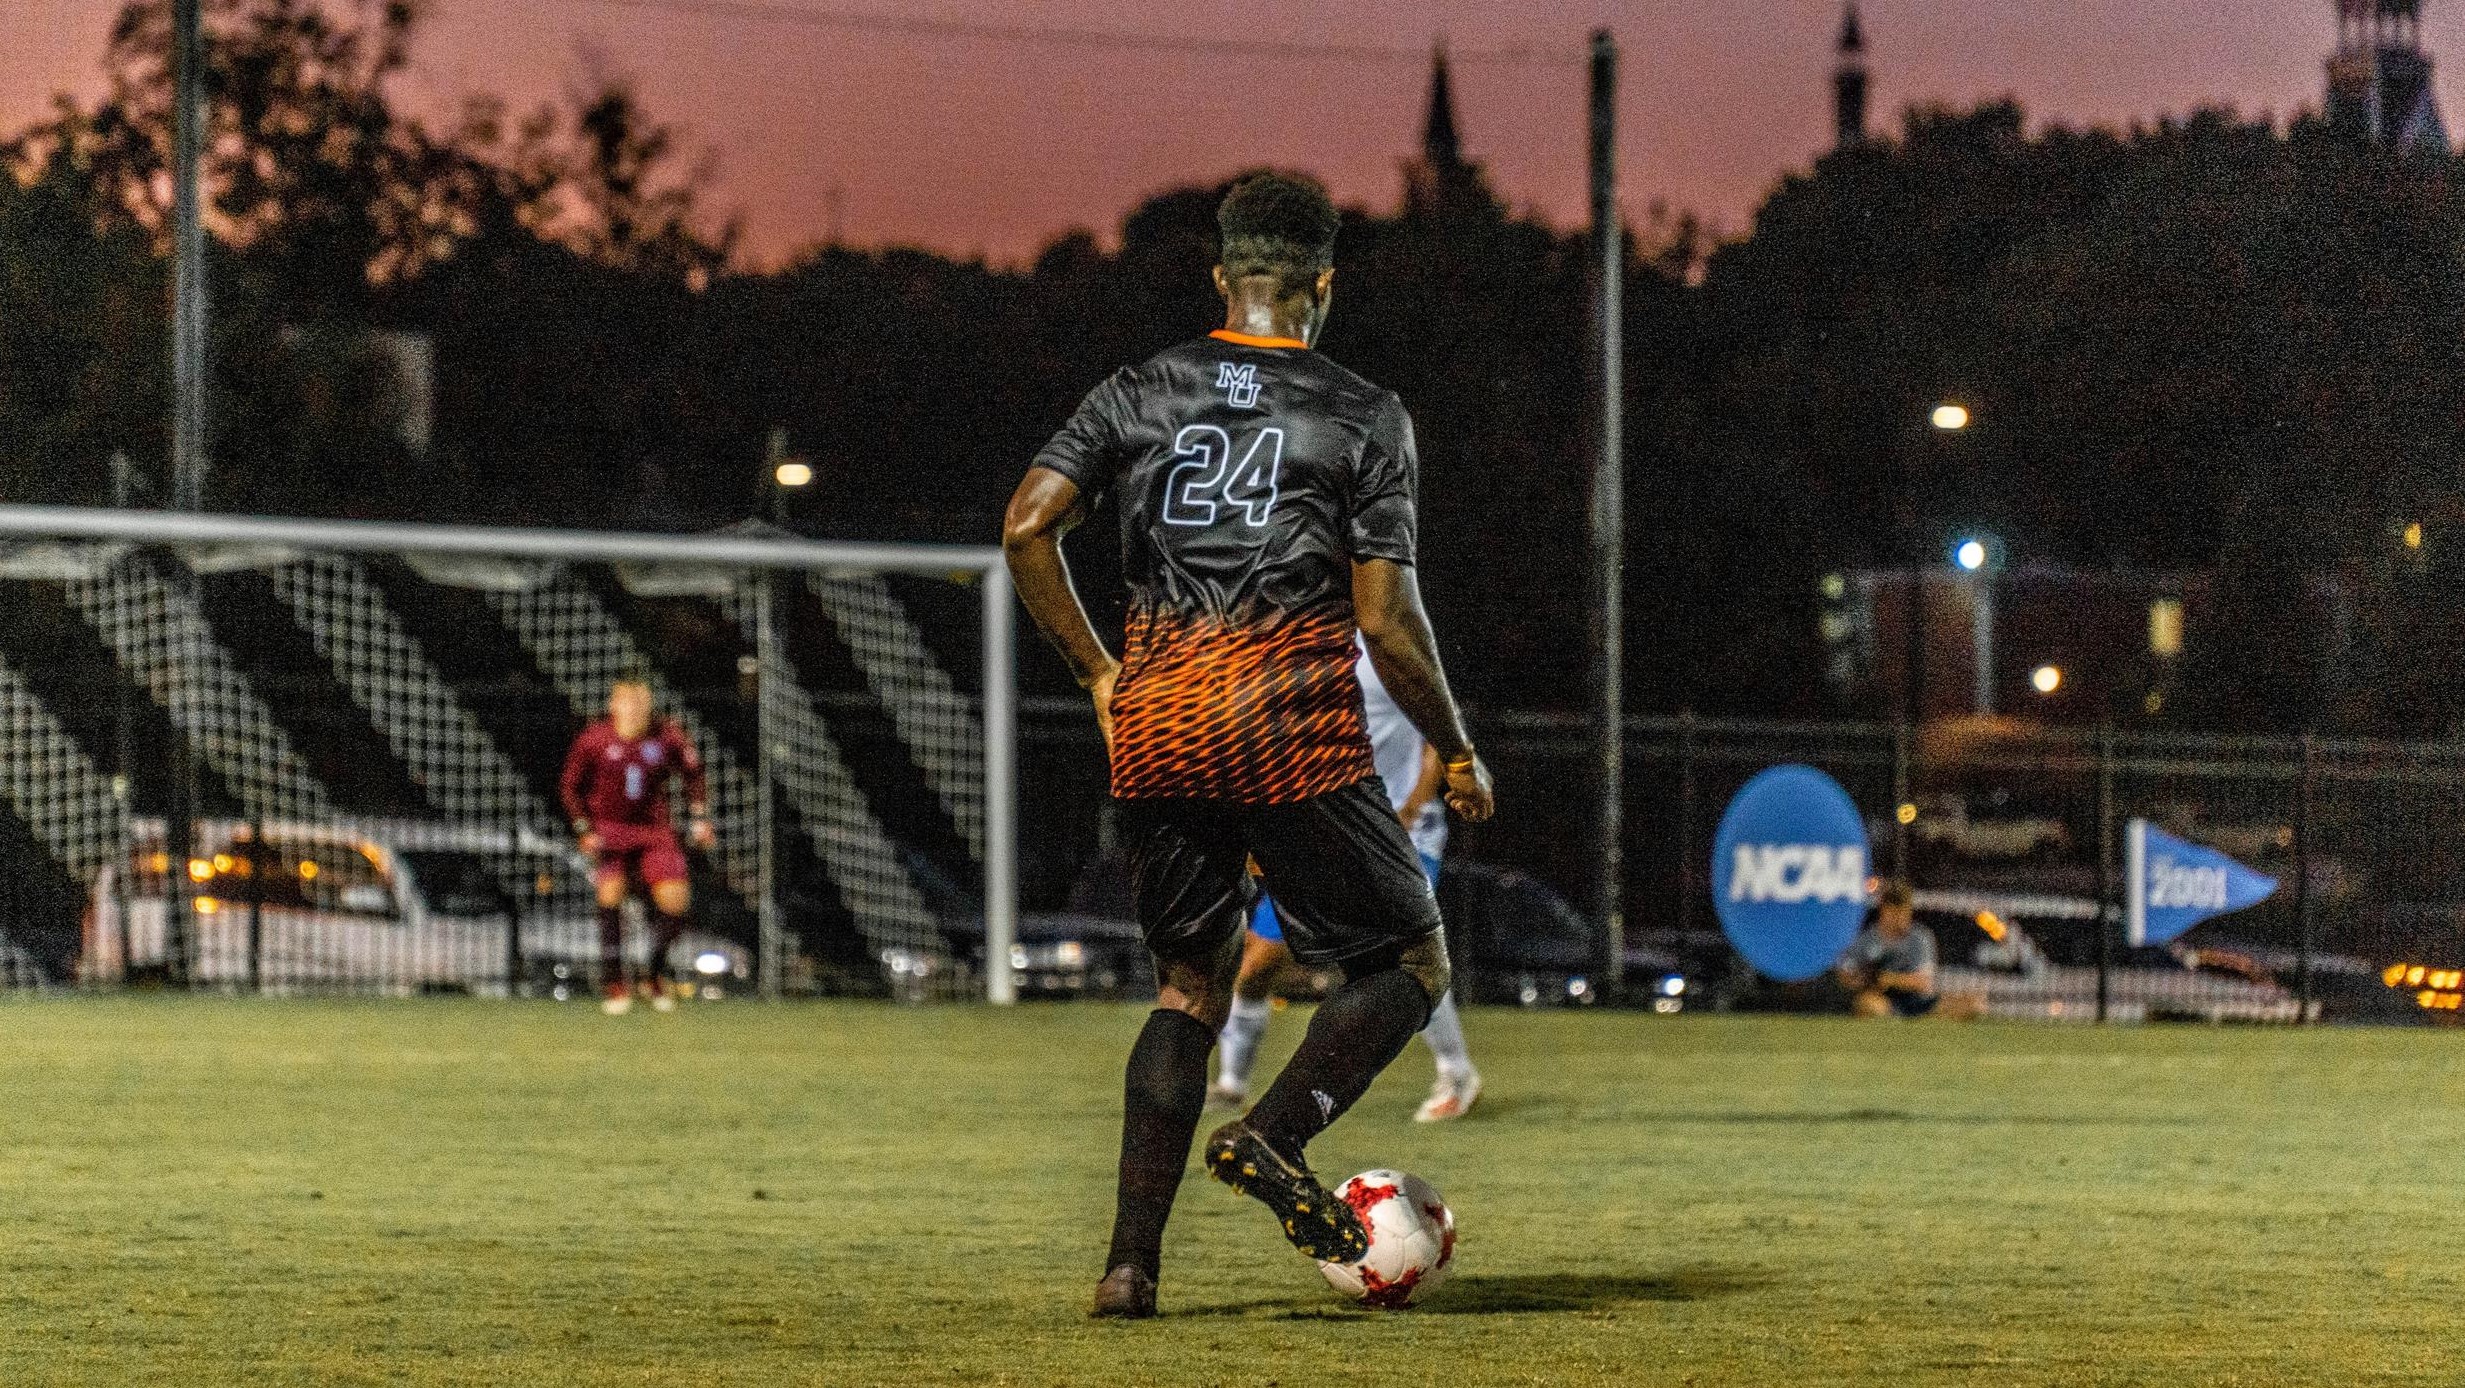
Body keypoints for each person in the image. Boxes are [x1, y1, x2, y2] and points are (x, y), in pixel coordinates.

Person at [1002, 170, 1495, 1320]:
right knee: (1409, 960)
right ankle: (1271, 1134)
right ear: (1323, 285)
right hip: (1284, 722)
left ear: (1221, 275)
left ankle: (1128, 1268)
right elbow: (1385, 620)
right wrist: (1456, 746)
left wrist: (1097, 673)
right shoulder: (1362, 412)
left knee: (1187, 990)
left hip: (1157, 719)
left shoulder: (1138, 388)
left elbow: (1026, 526)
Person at [1211, 637, 1482, 1122]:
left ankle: (1456, 1073)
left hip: (1402, 832)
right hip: (1325, 830)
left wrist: (1407, 811)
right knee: (1256, 965)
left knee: (1406, 955)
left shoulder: (1387, 642)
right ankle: (1232, 1083)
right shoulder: (1298, 648)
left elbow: (1438, 736)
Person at [558, 677, 714, 1015]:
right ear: (613, 706)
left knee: (676, 901)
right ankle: (615, 982)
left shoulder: (667, 735)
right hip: (610, 831)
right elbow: (570, 787)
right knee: (610, 894)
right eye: (628, 702)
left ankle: (653, 974)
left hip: (654, 831)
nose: (635, 710)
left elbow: (694, 773)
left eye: (641, 703)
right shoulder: (595, 739)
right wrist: (584, 829)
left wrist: (700, 817)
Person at [1836, 880, 1985, 1020]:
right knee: (1867, 1005)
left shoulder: (1919, 937)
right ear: (1883, 911)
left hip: (1918, 1001)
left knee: (1975, 1004)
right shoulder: (1868, 938)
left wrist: (1888, 979)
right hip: (1885, 1000)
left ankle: (1925, 1019)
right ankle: (1912, 1020)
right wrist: (1861, 978)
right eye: (1894, 913)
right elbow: (1846, 973)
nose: (1899, 918)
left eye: (1903, 912)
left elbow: (1923, 982)